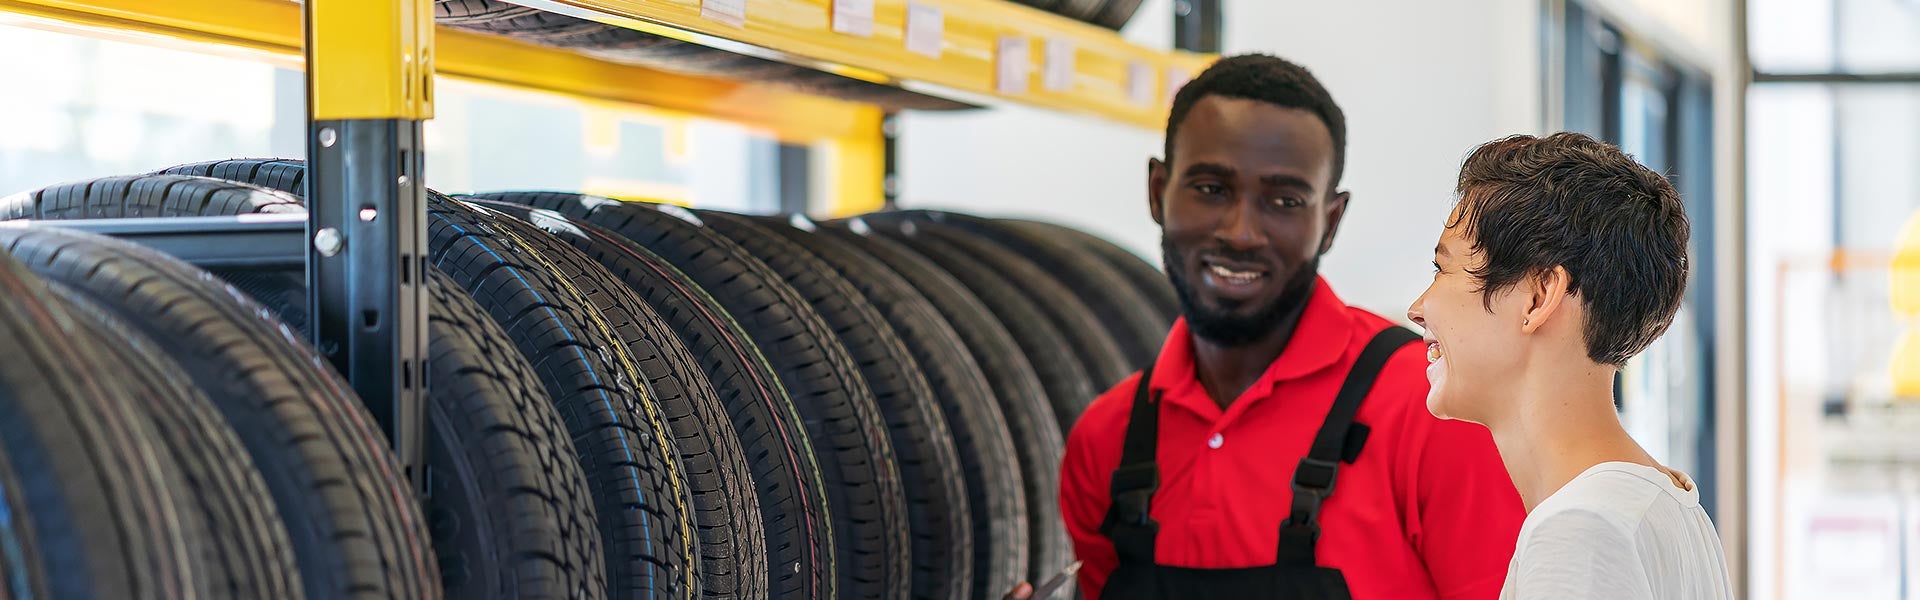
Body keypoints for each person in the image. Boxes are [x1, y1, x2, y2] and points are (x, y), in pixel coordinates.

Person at [1011, 54, 1526, 600]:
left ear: (1329, 223)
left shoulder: (1434, 409)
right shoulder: (1106, 441)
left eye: (1284, 201)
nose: (1241, 233)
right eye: (1211, 188)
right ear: (1158, 191)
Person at [1406, 132, 1734, 599]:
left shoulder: (1579, 527)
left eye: (1443, 269)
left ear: (1539, 297)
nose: (1417, 308)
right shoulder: (1666, 506)